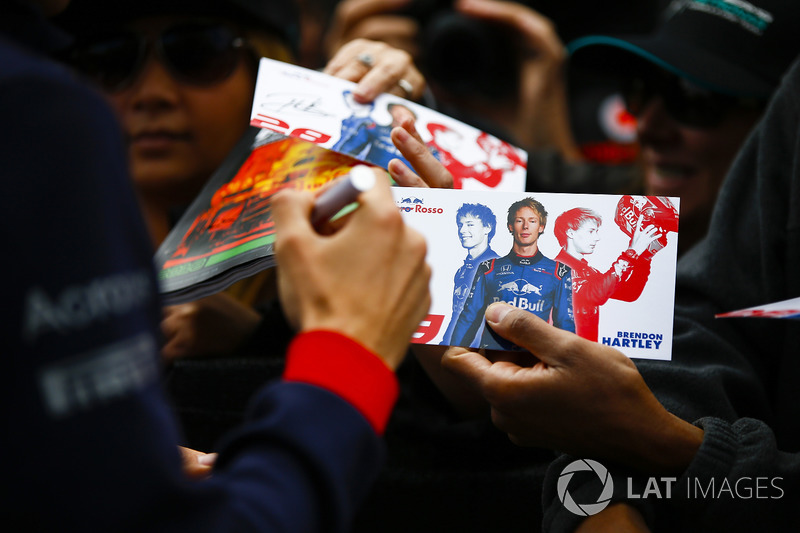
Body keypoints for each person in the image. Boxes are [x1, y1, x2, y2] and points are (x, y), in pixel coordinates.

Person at [5, 2, 431, 530]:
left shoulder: (349, 235)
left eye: (197, 53)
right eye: (107, 60)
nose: (153, 92)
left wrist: (402, 111)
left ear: (267, 73)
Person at [438, 53, 800, 532]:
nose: (646, 123)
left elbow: (625, 321)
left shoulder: (604, 258)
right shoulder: (564, 258)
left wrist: (659, 444)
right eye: (637, 91)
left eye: (697, 101)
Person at [450, 197, 574, 349]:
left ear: (541, 227)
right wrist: (453, 352)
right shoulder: (489, 268)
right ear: (510, 226)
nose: (526, 226)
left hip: (533, 358)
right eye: (519, 221)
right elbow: (470, 316)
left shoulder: (559, 272)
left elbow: (565, 324)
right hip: (492, 356)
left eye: (532, 221)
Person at [552, 206, 659, 341]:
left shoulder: (589, 272)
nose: (597, 238)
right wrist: (632, 252)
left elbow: (629, 293)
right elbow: (597, 295)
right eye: (591, 231)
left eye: (596, 231)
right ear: (570, 233)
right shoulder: (555, 269)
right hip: (563, 354)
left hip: (587, 352)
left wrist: (644, 257)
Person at [440, 202, 500, 345]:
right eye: (460, 225)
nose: (462, 230)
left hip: (481, 350)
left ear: (487, 228)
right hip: (453, 346)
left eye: (470, 224)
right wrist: (445, 342)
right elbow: (457, 315)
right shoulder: (462, 270)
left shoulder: (498, 267)